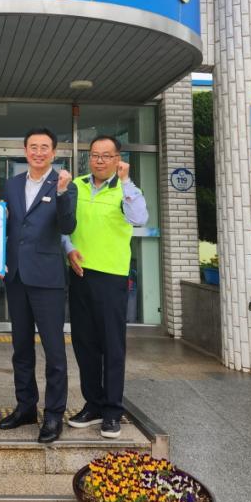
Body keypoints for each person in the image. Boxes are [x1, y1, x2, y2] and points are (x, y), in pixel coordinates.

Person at [64, 135, 148, 440]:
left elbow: (139, 218)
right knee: (84, 344)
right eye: (95, 155)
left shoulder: (127, 189)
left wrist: (126, 183)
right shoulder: (76, 185)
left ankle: (112, 410)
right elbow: (64, 223)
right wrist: (68, 248)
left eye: (106, 155)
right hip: (79, 273)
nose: (99, 160)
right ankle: (93, 405)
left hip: (112, 277)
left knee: (112, 345)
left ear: (117, 159)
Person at [0, 127, 76, 443]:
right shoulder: (12, 184)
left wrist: (62, 194)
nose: (39, 152)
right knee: (21, 348)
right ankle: (25, 407)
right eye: (33, 146)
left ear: (53, 153)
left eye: (45, 147)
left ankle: (54, 414)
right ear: (25, 150)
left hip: (47, 279)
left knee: (54, 350)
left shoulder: (64, 184)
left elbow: (68, 225)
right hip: (16, 276)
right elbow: (5, 226)